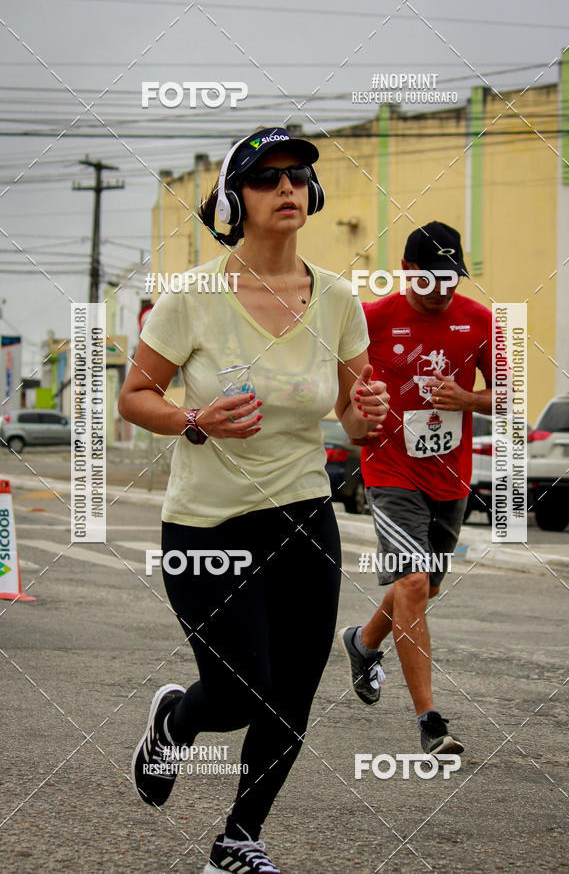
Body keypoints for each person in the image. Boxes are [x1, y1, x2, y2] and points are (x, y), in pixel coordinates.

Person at [118, 126, 389, 874]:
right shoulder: (192, 297)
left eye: (298, 175)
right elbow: (135, 396)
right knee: (239, 693)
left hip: (302, 514)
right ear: (236, 200)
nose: (288, 188)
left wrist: (369, 414)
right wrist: (193, 420)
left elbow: (357, 418)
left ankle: (239, 840)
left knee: (292, 697)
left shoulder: (337, 299)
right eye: (267, 178)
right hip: (207, 521)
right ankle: (174, 721)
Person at [339, 221, 494, 757]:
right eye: (432, 277)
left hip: (450, 476)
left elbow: (510, 395)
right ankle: (430, 722)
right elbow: (344, 394)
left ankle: (363, 643)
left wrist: (468, 399)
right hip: (390, 470)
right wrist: (362, 407)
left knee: (422, 589)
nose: (444, 288)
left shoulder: (479, 321)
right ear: (407, 273)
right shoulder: (371, 319)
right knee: (412, 582)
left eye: (452, 277)